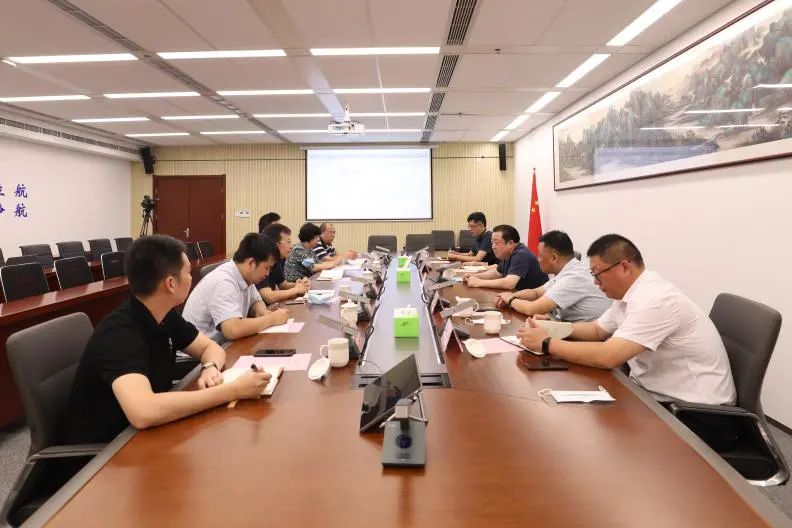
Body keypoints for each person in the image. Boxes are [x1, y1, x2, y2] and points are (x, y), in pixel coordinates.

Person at [61, 235, 273, 444]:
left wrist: (210, 367)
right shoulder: (119, 333)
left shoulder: (163, 314)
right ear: (171, 283)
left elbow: (209, 348)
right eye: (188, 272)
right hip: (104, 452)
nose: (192, 278)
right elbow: (144, 411)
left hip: (144, 435)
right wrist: (234, 390)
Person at [517, 234, 736, 406]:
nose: (595, 283)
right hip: (651, 393)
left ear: (624, 267)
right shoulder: (631, 293)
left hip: (695, 411)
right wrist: (552, 328)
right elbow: (597, 330)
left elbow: (608, 356)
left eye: (597, 274)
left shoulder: (655, 299)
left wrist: (546, 343)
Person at [182, 233, 290, 345]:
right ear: (251, 263)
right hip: (199, 352)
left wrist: (262, 311)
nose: (267, 274)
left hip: (220, 346)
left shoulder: (245, 275)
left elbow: (256, 301)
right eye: (267, 268)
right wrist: (271, 319)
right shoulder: (223, 281)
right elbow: (232, 329)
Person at [495, 230, 611, 321]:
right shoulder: (568, 269)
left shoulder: (574, 277)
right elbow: (536, 293)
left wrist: (511, 299)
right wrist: (511, 295)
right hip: (569, 326)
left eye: (540, 256)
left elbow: (533, 308)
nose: (538, 260)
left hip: (588, 338)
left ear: (554, 258)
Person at [463, 224, 547, 290]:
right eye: (492, 243)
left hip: (536, 302)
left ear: (510, 243)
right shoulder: (508, 253)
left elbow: (509, 283)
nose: (493, 247)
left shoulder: (521, 254)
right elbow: (497, 273)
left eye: (496, 243)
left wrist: (479, 282)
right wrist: (475, 276)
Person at [258, 223, 310, 304]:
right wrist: (296, 290)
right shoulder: (261, 260)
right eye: (288, 242)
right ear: (275, 244)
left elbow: (282, 284)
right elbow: (269, 297)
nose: (291, 246)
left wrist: (299, 285)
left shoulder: (278, 259)